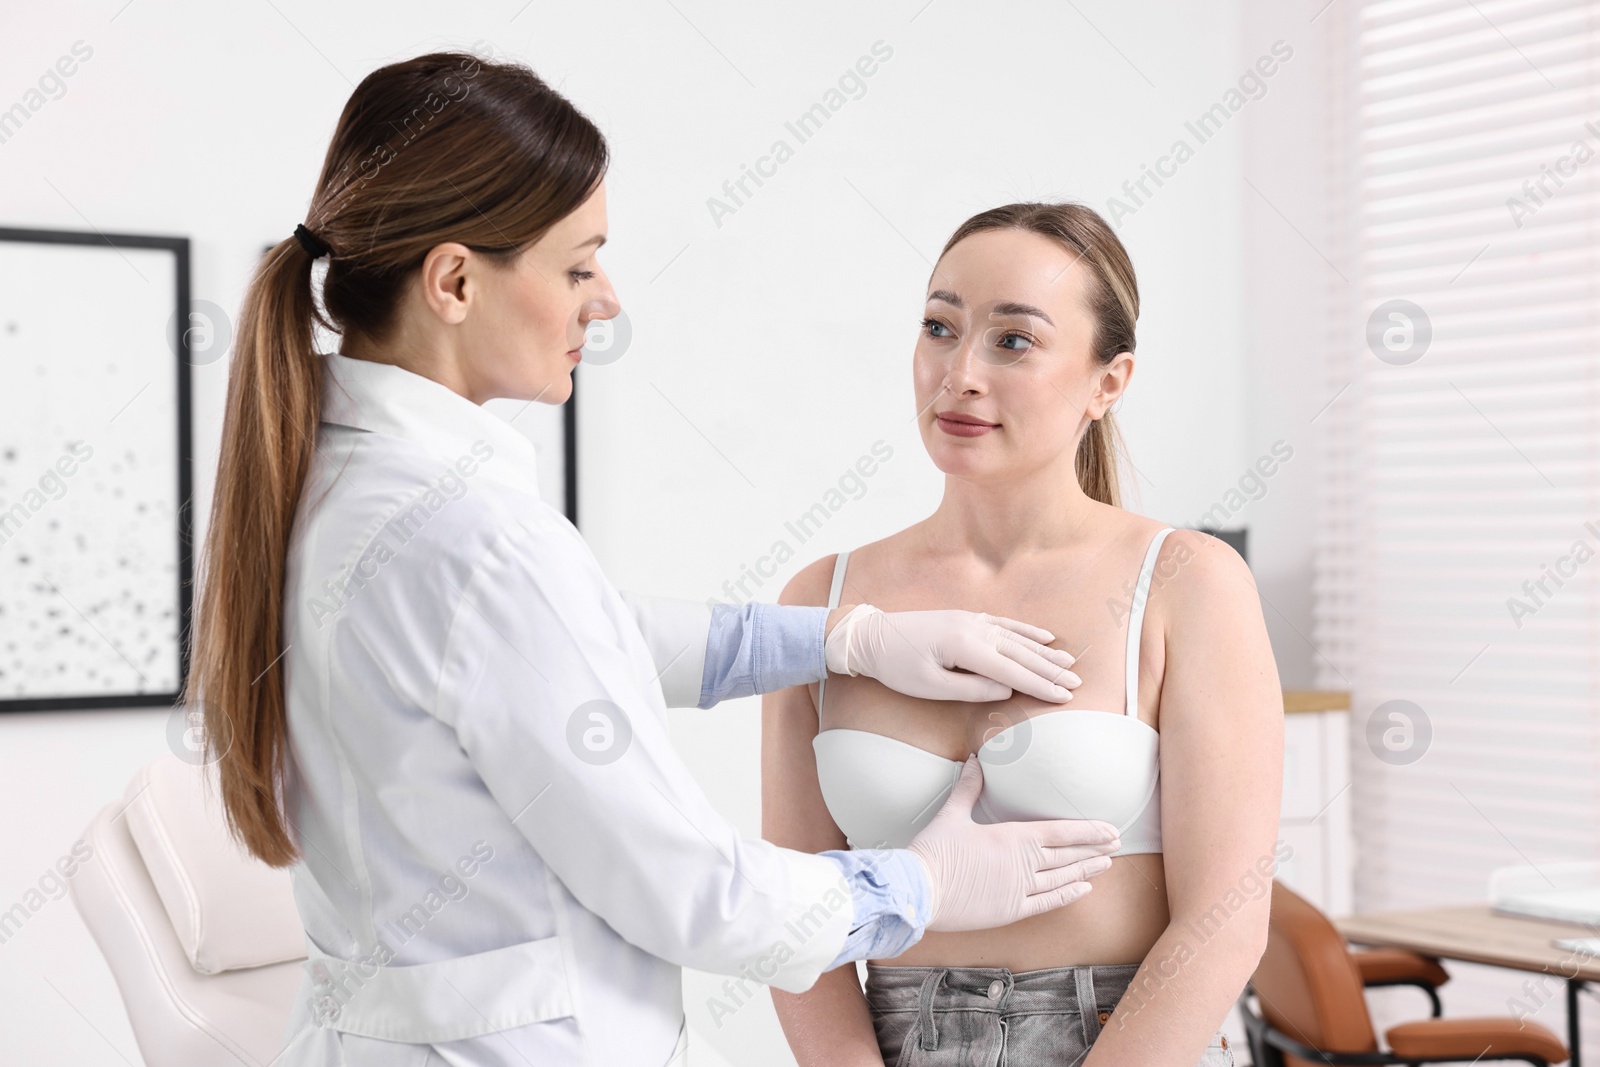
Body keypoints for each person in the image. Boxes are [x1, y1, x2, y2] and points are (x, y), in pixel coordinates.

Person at [183, 54, 1127, 1066]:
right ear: (454, 281)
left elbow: (577, 639)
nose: (607, 299)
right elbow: (696, 892)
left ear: (1107, 381)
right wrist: (921, 884)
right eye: (579, 264)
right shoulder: (474, 542)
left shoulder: (342, 487)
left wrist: (841, 642)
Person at [763, 202, 1286, 1066]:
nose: (958, 373)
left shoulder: (1187, 584)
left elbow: (1224, 922)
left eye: (1013, 340)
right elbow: (793, 914)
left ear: (1106, 381)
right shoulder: (822, 598)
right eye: (940, 327)